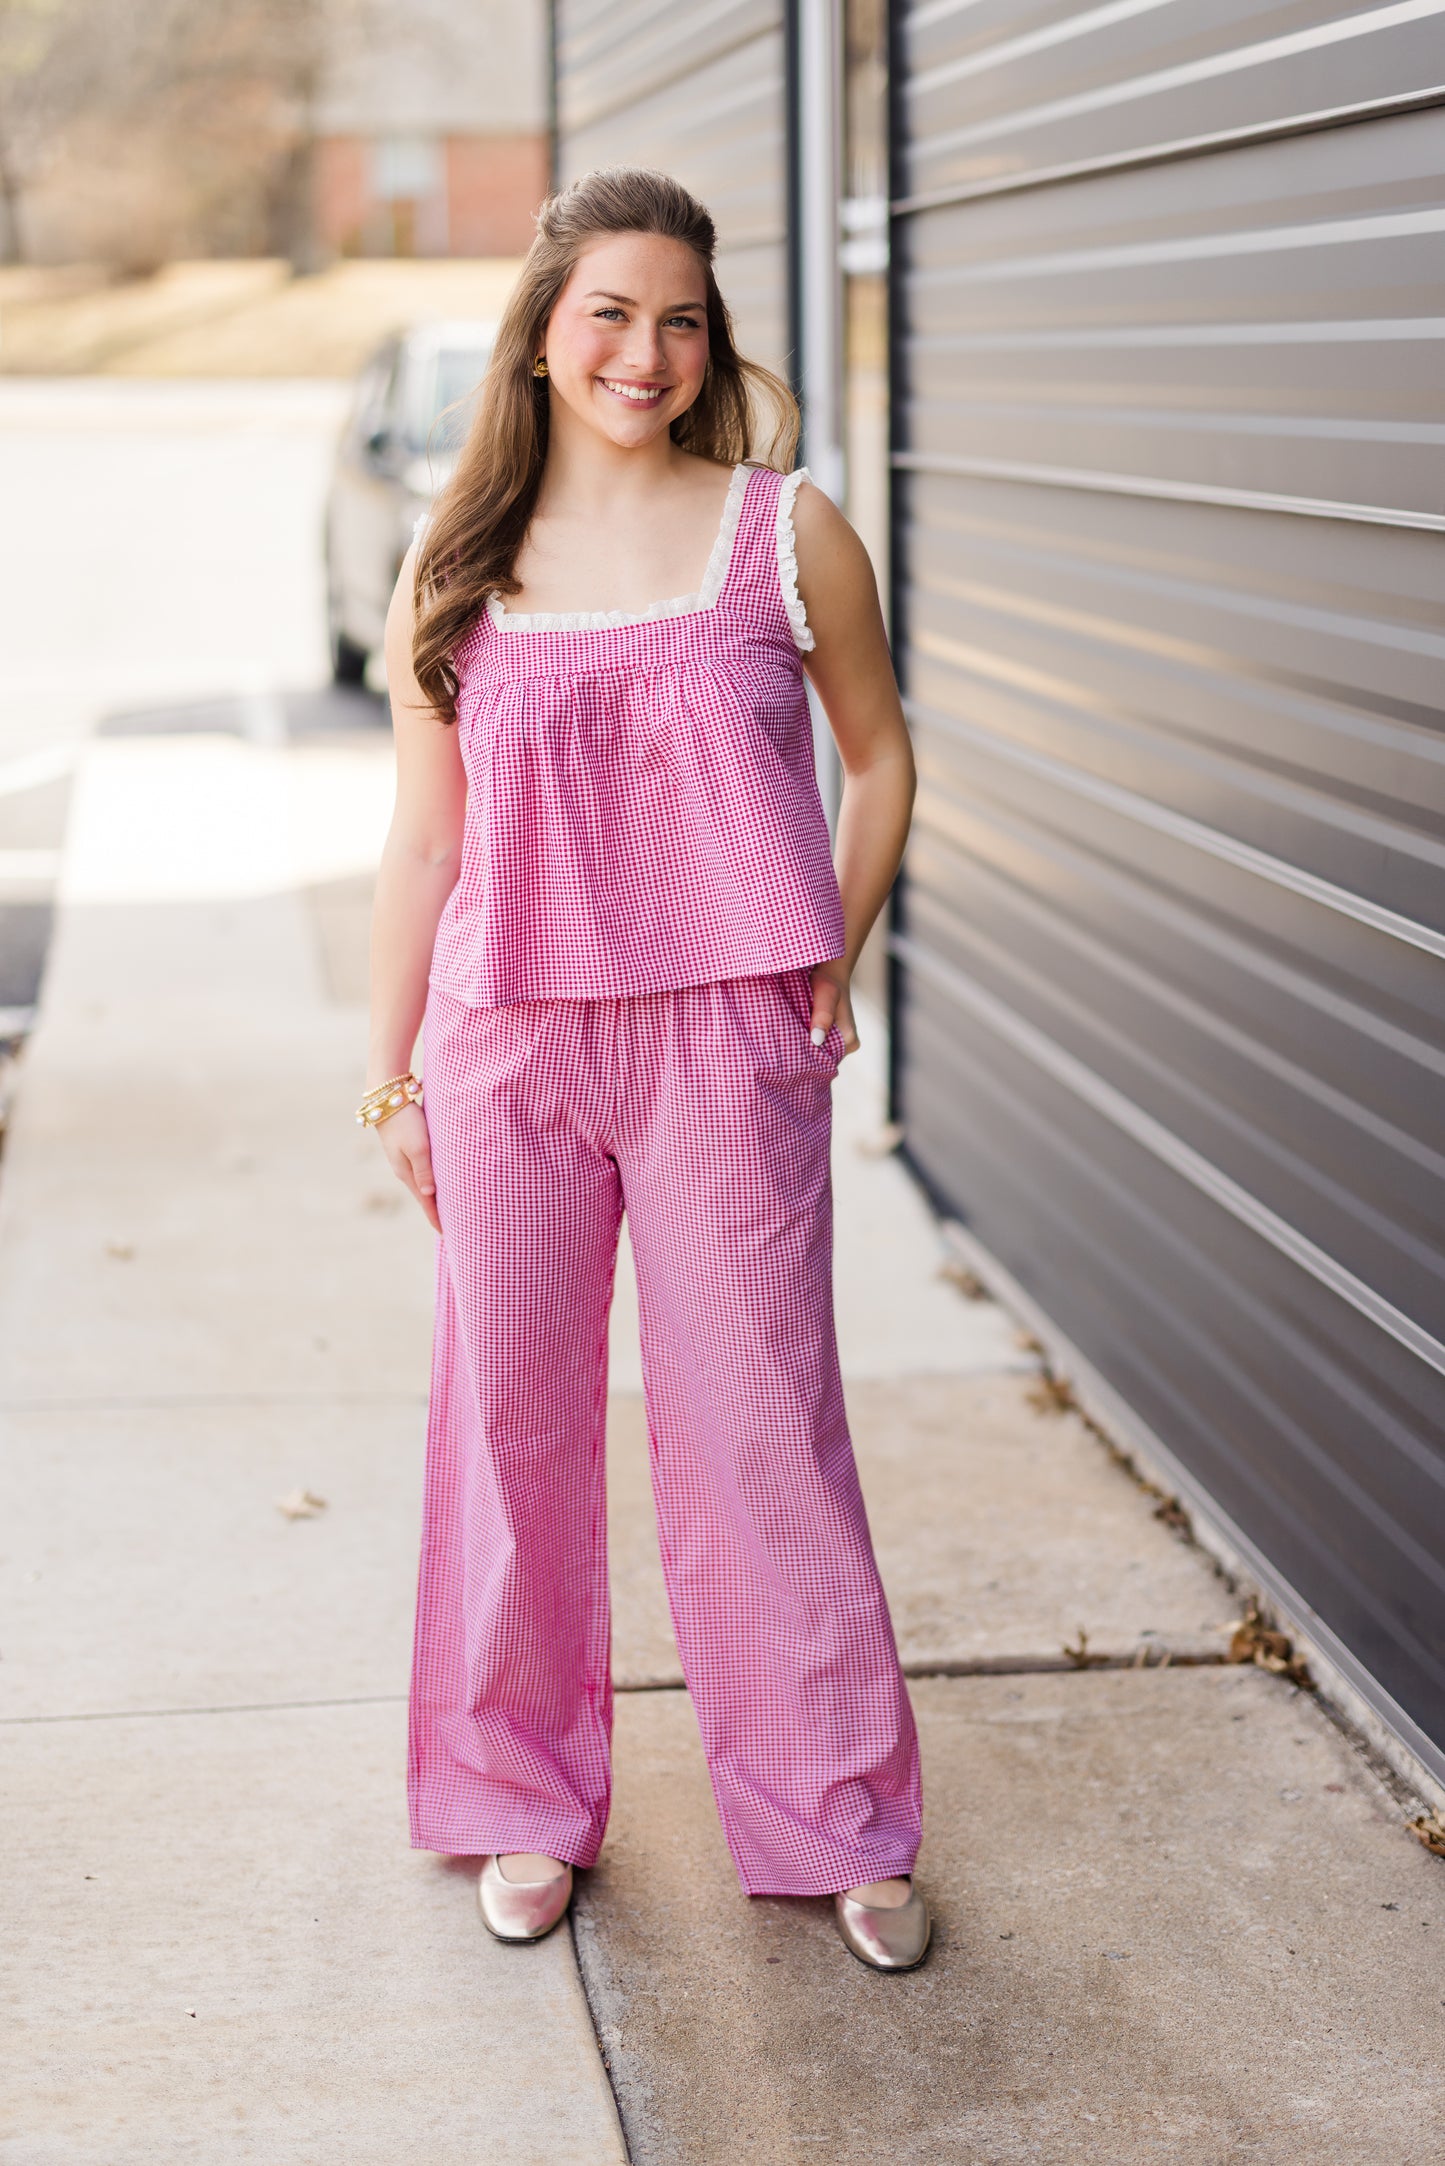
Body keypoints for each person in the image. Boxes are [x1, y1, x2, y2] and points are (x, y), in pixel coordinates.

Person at [360, 166, 929, 1972]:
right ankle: (518, 1796)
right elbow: (421, 846)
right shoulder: (455, 568)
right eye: (610, 310)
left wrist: (826, 954)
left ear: (713, 341)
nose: (647, 349)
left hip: (722, 1043)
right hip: (509, 1039)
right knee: (509, 1433)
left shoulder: (781, 532)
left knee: (762, 1426)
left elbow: (884, 758)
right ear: (544, 329)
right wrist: (394, 1078)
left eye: (680, 317)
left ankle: (834, 1811)